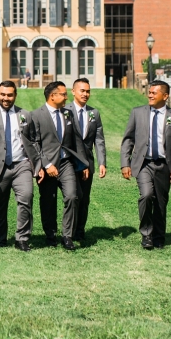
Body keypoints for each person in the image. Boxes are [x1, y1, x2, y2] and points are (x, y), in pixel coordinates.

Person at [120, 80, 171, 250]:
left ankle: (159, 236)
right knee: (147, 195)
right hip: (144, 164)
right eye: (149, 92)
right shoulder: (138, 113)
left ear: (165, 96)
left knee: (161, 202)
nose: (150, 95)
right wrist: (124, 163)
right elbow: (128, 139)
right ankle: (146, 234)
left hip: (165, 165)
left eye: (154, 92)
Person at [25, 81, 90, 250]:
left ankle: (67, 236)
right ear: (52, 96)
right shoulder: (36, 115)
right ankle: (50, 234)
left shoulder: (68, 114)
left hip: (66, 163)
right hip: (47, 166)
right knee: (48, 200)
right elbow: (33, 143)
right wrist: (46, 165)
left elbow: (76, 139)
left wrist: (83, 163)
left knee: (72, 196)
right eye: (63, 94)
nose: (67, 97)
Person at [0, 80, 39, 251]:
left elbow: (33, 140)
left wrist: (36, 163)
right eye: (3, 94)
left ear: (15, 95)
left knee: (26, 197)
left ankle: (22, 239)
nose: (6, 98)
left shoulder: (25, 114)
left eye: (9, 95)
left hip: (21, 165)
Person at [66, 77, 107, 242]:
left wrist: (102, 162)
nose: (85, 94)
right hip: (69, 162)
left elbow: (99, 139)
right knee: (74, 196)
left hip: (88, 163)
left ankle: (79, 231)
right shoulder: (65, 111)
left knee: (84, 199)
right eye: (82, 91)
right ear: (73, 91)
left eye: (88, 91)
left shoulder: (94, 113)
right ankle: (68, 230)